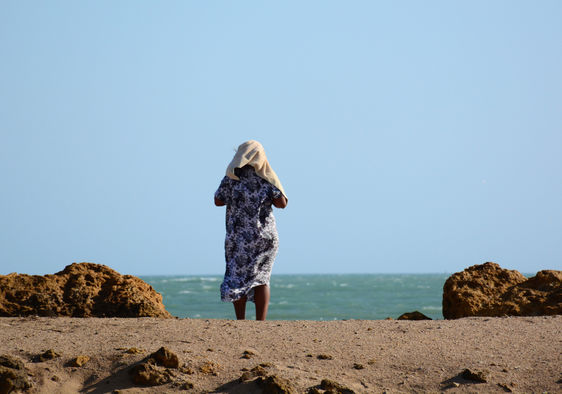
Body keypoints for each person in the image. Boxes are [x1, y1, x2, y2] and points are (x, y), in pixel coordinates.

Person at [214, 140, 288, 320]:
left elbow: (218, 200)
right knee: (261, 278)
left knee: (237, 277)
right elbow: (282, 203)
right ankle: (260, 322)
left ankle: (241, 320)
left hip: (238, 237)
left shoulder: (231, 178)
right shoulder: (266, 177)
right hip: (265, 237)